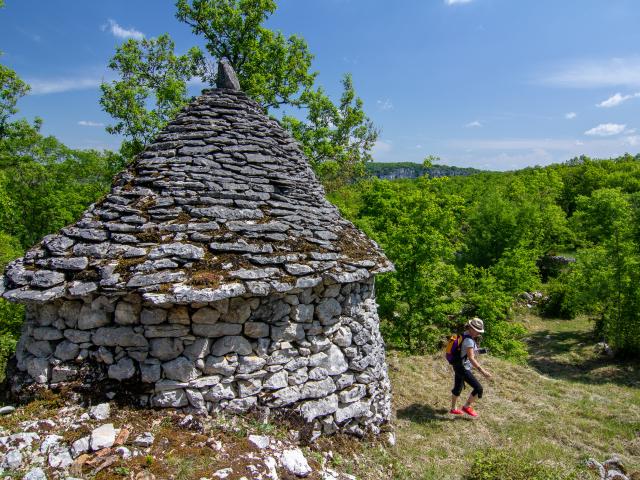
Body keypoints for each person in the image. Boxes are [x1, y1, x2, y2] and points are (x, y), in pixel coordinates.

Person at [450, 317, 492, 417]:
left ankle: (453, 409)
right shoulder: (469, 341)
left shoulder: (463, 335)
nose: (479, 333)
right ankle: (466, 406)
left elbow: (467, 352)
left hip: (457, 365)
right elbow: (471, 358)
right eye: (477, 331)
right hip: (463, 368)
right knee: (478, 388)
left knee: (457, 388)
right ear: (471, 328)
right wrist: (483, 371)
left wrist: (479, 351)